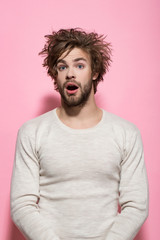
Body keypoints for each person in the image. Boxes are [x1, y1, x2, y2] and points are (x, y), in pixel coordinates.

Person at [10, 28, 149, 240]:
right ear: (55, 75)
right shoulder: (32, 132)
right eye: (62, 66)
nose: (70, 73)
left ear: (94, 72)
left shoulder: (126, 133)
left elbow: (136, 205)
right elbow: (22, 205)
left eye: (79, 65)